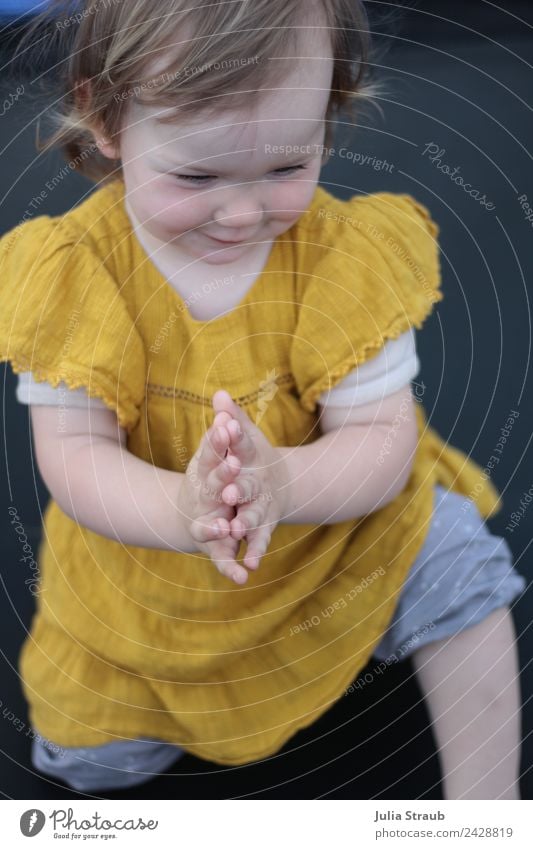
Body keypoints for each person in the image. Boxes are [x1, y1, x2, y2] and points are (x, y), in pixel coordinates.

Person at [0, 0, 525, 797]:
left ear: (327, 112)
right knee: (86, 761)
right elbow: (75, 456)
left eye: (286, 167)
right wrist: (186, 509)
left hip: (324, 529)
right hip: (149, 563)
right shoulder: (74, 272)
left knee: (456, 558)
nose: (243, 213)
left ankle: (483, 811)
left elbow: (380, 438)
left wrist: (281, 482)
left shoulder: (344, 254)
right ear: (108, 123)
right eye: (196, 175)